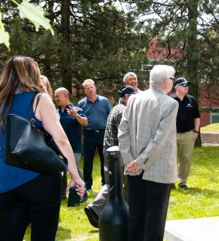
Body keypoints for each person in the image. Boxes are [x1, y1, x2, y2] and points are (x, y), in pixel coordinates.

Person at [0, 56, 86, 241]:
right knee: (43, 236)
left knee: (8, 236)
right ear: (33, 74)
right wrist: (75, 175)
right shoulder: (40, 99)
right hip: (41, 179)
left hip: (8, 181)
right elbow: (61, 140)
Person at [118, 65, 178, 241]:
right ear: (166, 82)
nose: (173, 82)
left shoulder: (134, 99)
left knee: (136, 214)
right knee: (155, 217)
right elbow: (160, 139)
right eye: (173, 79)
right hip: (157, 169)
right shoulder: (170, 103)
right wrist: (139, 161)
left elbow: (123, 131)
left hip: (134, 168)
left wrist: (130, 160)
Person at [84, 85, 136, 228]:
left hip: (111, 151)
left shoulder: (116, 108)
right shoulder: (124, 110)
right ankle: (96, 209)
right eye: (134, 95)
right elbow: (125, 135)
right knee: (123, 182)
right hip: (118, 153)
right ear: (127, 97)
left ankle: (101, 210)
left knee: (115, 182)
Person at [54, 87, 88, 201]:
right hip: (58, 147)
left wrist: (76, 116)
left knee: (75, 170)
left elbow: (85, 122)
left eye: (58, 96)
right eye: (55, 96)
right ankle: (62, 193)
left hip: (74, 146)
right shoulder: (55, 112)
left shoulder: (76, 109)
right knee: (60, 169)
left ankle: (82, 193)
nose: (56, 99)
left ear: (66, 96)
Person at [77, 79, 111, 190]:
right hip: (88, 135)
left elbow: (110, 116)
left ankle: (105, 184)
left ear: (95, 88)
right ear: (85, 91)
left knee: (104, 160)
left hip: (103, 134)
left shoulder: (104, 101)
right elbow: (80, 121)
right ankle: (87, 185)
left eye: (92, 87)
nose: (91, 89)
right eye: (88, 88)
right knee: (87, 161)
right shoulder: (81, 103)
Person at [170, 77, 201, 190]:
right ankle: (170, 182)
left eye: (187, 85)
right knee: (171, 159)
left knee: (186, 159)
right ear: (176, 87)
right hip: (172, 135)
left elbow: (197, 117)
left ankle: (182, 182)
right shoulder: (170, 99)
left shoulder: (191, 100)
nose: (186, 87)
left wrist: (196, 131)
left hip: (188, 134)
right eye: (183, 85)